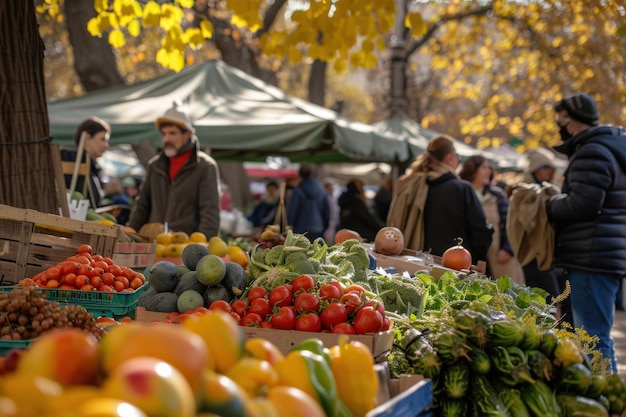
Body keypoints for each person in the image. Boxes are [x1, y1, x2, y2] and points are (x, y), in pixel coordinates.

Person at [546, 92, 626, 373]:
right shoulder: (611, 148)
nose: (561, 126)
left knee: (593, 338)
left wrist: (551, 203)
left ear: (571, 122)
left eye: (562, 120)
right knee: (595, 335)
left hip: (591, 256)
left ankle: (608, 402)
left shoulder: (592, 151)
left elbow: (583, 204)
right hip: (604, 255)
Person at [387, 135, 493, 265]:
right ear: (450, 158)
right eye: (457, 156)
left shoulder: (409, 185)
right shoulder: (462, 188)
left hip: (413, 265)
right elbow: (480, 234)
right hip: (454, 267)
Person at [128, 103, 221, 237]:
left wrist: (202, 248)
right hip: (153, 242)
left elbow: (209, 212)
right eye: (164, 134)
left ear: (188, 134)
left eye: (172, 133)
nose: (166, 139)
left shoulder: (205, 166)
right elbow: (142, 205)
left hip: (186, 246)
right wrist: (131, 235)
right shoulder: (154, 166)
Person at [459, 155, 524, 284]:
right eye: (483, 167)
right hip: (472, 256)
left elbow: (509, 223)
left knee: (508, 292)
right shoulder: (461, 193)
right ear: (472, 170)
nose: (489, 171)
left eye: (489, 167)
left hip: (499, 255)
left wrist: (507, 248)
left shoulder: (497, 196)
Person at [514, 148, 562, 305]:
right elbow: (526, 221)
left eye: (550, 167)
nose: (548, 171)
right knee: (540, 299)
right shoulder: (523, 191)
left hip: (551, 254)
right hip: (531, 253)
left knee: (553, 299)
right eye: (543, 167)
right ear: (534, 168)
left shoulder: (552, 190)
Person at [60, 117, 111, 209]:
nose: (106, 145)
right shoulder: (74, 161)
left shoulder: (92, 166)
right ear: (87, 137)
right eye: (102, 139)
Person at [286, 164, 330, 242]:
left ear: (300, 174)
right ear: (312, 174)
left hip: (300, 230)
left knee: (302, 253)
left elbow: (292, 211)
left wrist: (290, 226)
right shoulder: (321, 190)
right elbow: (327, 212)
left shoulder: (297, 190)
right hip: (318, 228)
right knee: (316, 253)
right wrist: (324, 227)